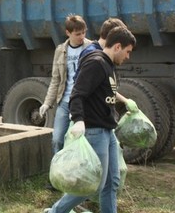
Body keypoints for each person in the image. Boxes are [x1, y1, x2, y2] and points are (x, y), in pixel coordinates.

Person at [44, 26, 137, 213]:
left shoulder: (108, 64)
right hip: (95, 130)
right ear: (117, 46)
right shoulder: (96, 63)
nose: (128, 57)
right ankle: (56, 211)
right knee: (92, 183)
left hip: (107, 131)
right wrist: (78, 119)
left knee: (112, 180)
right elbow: (77, 93)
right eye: (127, 52)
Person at [39, 15, 92, 158]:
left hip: (84, 103)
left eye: (84, 33)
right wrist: (47, 103)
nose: (81, 37)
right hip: (65, 102)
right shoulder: (60, 51)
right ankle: (57, 174)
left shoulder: (91, 47)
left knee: (82, 140)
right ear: (68, 33)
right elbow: (56, 80)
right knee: (57, 139)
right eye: (77, 34)